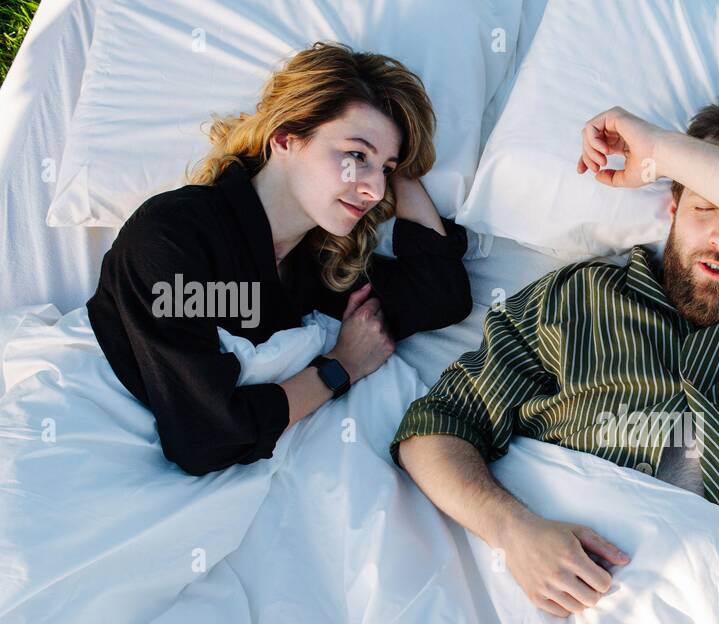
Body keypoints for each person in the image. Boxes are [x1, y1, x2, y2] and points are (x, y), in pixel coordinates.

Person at [392, 88, 719, 617]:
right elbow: (436, 428)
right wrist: (514, 531)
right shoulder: (578, 298)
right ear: (672, 208)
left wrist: (659, 149)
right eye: (705, 207)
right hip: (551, 598)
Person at [87, 41, 473, 476]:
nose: (375, 191)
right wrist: (340, 367)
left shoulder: (318, 263)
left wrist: (401, 163)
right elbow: (204, 438)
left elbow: (440, 294)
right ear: (285, 137)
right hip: (95, 439)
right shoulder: (175, 235)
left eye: (384, 170)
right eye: (355, 155)